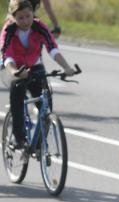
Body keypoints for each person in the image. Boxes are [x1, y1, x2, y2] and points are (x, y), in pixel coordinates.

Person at [1, 0, 75, 149]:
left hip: (34, 66)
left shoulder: (39, 27)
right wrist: (16, 72)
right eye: (20, 18)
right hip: (12, 67)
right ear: (13, 18)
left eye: (28, 16)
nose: (25, 21)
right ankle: (19, 138)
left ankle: (39, 143)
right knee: (17, 92)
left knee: (45, 103)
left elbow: (52, 49)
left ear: (33, 14)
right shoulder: (9, 30)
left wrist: (67, 67)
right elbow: (6, 55)